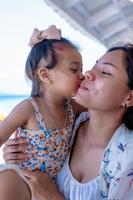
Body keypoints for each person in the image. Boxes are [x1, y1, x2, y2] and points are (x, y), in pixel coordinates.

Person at [3, 43, 133, 200]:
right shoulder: (70, 119)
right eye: (93, 66)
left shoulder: (127, 158)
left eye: (105, 72)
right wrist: (15, 151)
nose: (87, 74)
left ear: (129, 97)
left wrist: (55, 197)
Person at [0, 25, 85, 200]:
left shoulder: (73, 107)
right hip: (22, 178)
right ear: (45, 75)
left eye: (82, 70)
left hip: (52, 186)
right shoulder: (29, 107)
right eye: (74, 69)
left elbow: (102, 110)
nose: (82, 76)